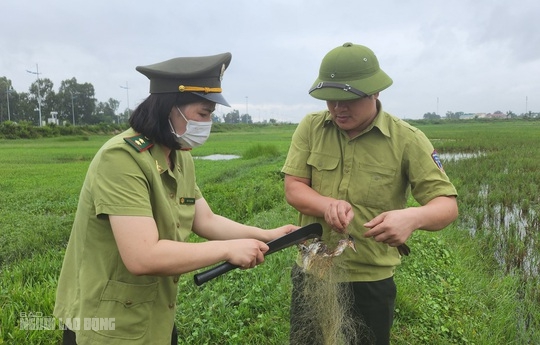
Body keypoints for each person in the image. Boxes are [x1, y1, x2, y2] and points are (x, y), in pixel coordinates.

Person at [53, 52, 298, 345]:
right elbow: (143, 256)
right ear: (169, 108)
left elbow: (204, 218)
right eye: (203, 114)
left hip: (155, 314)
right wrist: (227, 250)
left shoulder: (178, 155)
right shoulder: (121, 158)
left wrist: (268, 235)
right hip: (108, 322)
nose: (207, 124)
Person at [282, 42, 458, 345]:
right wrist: (326, 205)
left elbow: (447, 205)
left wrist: (413, 217)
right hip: (313, 270)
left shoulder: (407, 139)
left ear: (375, 92)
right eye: (331, 100)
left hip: (370, 281)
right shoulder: (311, 127)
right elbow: (294, 187)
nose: (338, 108)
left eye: (348, 99)